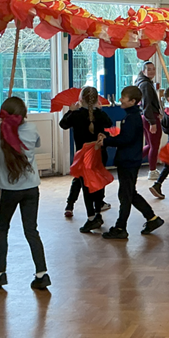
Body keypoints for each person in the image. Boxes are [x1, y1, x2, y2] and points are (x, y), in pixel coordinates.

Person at [0, 97, 50, 290]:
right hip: (31, 187)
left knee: (2, 228)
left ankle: (1, 273)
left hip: (9, 189)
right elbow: (37, 144)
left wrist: (0, 125)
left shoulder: (1, 129)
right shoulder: (32, 128)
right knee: (31, 230)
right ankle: (42, 274)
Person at [98, 85, 164, 239]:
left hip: (128, 161)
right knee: (129, 193)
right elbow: (126, 137)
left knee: (125, 195)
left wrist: (106, 141)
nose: (120, 100)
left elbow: (126, 139)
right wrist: (109, 138)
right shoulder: (131, 116)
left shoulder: (132, 118)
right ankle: (152, 218)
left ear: (133, 101)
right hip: (130, 160)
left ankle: (121, 227)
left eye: (123, 97)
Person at [59, 87, 112, 233]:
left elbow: (63, 124)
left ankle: (91, 217)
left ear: (80, 100)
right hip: (99, 153)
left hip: (84, 156)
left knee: (86, 186)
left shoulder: (76, 115)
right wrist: (100, 110)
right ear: (97, 100)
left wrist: (70, 111)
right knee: (98, 183)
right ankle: (98, 213)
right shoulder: (100, 114)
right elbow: (109, 123)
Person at [135, 61, 162, 181]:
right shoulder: (145, 85)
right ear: (143, 71)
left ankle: (133, 161)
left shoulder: (144, 83)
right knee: (154, 146)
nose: (152, 71)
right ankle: (152, 171)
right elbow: (146, 104)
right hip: (150, 117)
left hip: (147, 116)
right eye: (149, 69)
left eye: (153, 69)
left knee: (150, 145)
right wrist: (152, 122)